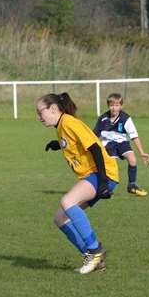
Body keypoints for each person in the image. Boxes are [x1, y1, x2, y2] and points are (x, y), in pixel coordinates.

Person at [39, 92, 118, 274]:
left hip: (102, 174)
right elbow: (74, 142)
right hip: (93, 176)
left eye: (40, 112)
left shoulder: (69, 122)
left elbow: (95, 147)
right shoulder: (61, 125)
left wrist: (103, 182)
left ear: (53, 108)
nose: (39, 117)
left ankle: (95, 249)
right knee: (60, 218)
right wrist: (58, 144)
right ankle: (94, 260)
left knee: (67, 201)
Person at [93, 93, 149, 197]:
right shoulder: (103, 118)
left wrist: (142, 152)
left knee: (132, 159)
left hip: (122, 142)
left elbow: (134, 136)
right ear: (108, 106)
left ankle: (131, 185)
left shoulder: (125, 118)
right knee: (112, 168)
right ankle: (106, 189)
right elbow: (94, 136)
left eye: (117, 105)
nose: (114, 108)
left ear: (121, 106)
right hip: (108, 144)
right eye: (111, 105)